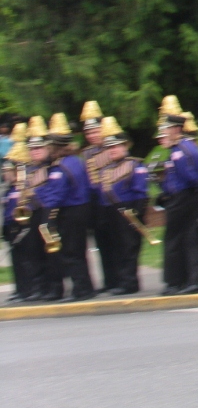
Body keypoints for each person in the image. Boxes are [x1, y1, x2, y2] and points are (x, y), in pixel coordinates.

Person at [38, 112, 95, 301]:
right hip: (82, 207)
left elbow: (56, 194)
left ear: (55, 147)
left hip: (70, 211)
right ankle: (86, 286)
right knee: (79, 250)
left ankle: (81, 289)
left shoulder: (60, 168)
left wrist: (47, 215)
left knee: (71, 252)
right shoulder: (76, 161)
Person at [154, 101, 198, 296]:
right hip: (183, 197)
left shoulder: (180, 151)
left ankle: (175, 281)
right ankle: (191, 279)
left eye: (165, 128)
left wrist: (171, 193)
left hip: (183, 198)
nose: (163, 133)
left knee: (175, 239)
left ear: (176, 129)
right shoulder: (181, 148)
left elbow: (189, 178)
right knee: (188, 238)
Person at [95, 117, 150, 295]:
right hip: (111, 213)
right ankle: (121, 280)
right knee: (116, 248)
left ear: (125, 146)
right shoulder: (105, 170)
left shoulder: (135, 165)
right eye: (109, 147)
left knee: (129, 248)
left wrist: (137, 213)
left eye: (116, 146)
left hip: (129, 211)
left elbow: (141, 193)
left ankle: (130, 282)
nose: (112, 150)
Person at [78, 100, 119, 294]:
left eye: (96, 131)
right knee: (101, 241)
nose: (93, 136)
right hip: (95, 201)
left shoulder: (112, 148)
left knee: (115, 241)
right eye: (89, 133)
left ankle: (120, 278)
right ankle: (109, 279)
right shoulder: (86, 153)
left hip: (111, 198)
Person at [19, 117, 61, 301]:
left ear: (47, 148)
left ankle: (54, 288)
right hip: (32, 213)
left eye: (38, 148)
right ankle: (39, 287)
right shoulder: (28, 170)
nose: (34, 152)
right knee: (33, 252)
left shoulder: (53, 167)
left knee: (50, 253)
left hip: (48, 211)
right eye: (32, 149)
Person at [2, 124, 35, 301]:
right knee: (16, 261)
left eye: (8, 171)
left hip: (21, 225)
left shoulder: (22, 187)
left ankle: (28, 289)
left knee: (25, 260)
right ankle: (20, 288)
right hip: (10, 226)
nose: (6, 174)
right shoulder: (9, 189)